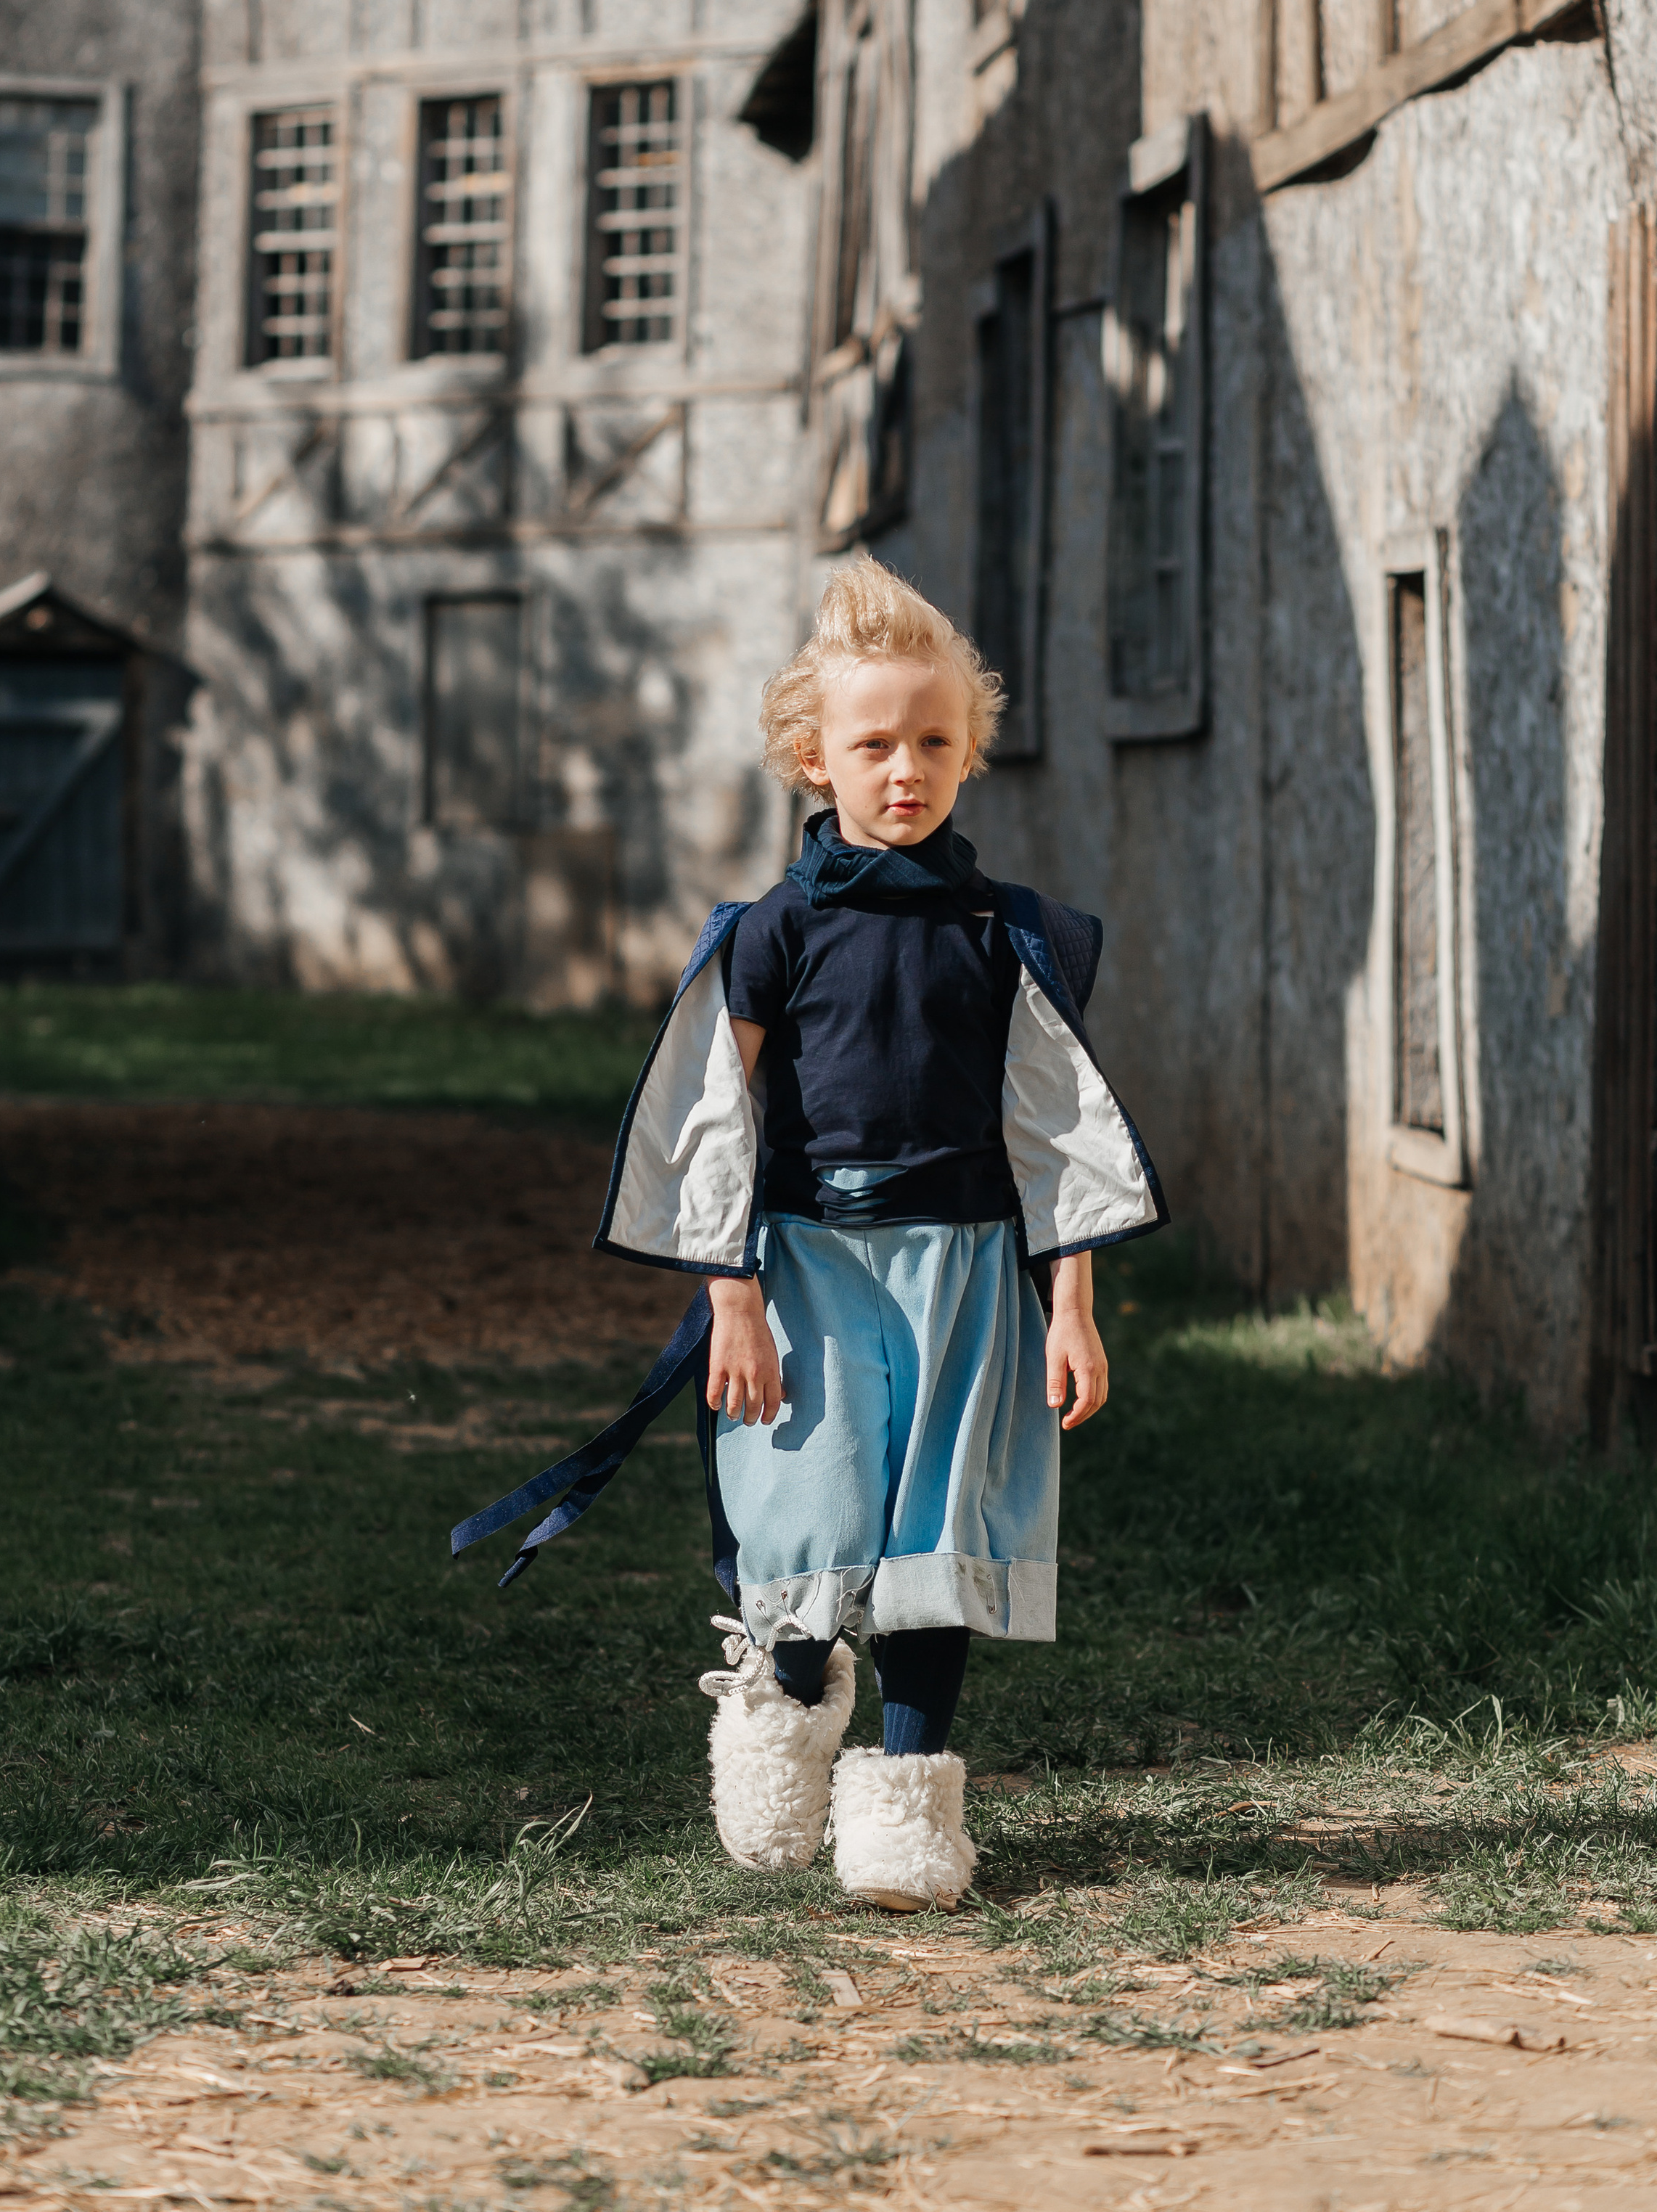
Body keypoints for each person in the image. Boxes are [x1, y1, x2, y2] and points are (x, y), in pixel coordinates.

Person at [452, 557, 1165, 1911]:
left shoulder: (1012, 935)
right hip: (808, 1270)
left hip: (969, 1272)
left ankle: (904, 1813)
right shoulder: (772, 934)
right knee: (810, 1526)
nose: (907, 769)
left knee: (937, 1541)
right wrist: (733, 1299)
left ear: (973, 753)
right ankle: (782, 1706)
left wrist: (1072, 1306)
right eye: (875, 744)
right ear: (811, 757)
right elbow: (716, 1121)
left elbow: (1061, 1138)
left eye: (936, 742)